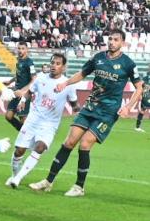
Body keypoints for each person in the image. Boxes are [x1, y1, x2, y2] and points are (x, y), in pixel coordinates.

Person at [30, 30, 143, 197]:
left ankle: (79, 187)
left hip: (108, 112)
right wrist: (65, 83)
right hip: (90, 107)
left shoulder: (128, 64)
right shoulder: (98, 58)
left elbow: (140, 87)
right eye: (110, 38)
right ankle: (48, 181)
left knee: (84, 144)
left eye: (116, 40)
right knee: (69, 142)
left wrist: (128, 107)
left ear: (122, 43)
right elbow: (82, 74)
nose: (111, 42)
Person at [5, 53, 79, 188]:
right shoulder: (40, 78)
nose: (53, 66)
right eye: (52, 63)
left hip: (50, 124)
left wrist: (78, 112)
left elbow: (74, 104)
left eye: (57, 64)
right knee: (19, 151)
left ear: (63, 67)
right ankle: (14, 175)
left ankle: (18, 179)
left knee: (40, 148)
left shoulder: (68, 85)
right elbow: (29, 92)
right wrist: (22, 101)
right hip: (33, 119)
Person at [4, 41, 36, 131]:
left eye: (23, 48)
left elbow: (34, 78)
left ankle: (26, 135)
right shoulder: (18, 60)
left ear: (27, 50)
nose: (20, 50)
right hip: (16, 92)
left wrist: (23, 91)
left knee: (23, 120)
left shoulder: (29, 62)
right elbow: (19, 74)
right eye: (19, 48)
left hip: (24, 94)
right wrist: (10, 81)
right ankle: (23, 133)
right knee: (8, 116)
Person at [135, 68, 150, 132]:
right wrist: (140, 95)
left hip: (147, 95)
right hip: (145, 96)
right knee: (142, 111)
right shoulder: (145, 79)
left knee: (142, 111)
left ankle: (137, 127)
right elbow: (140, 87)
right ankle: (137, 127)